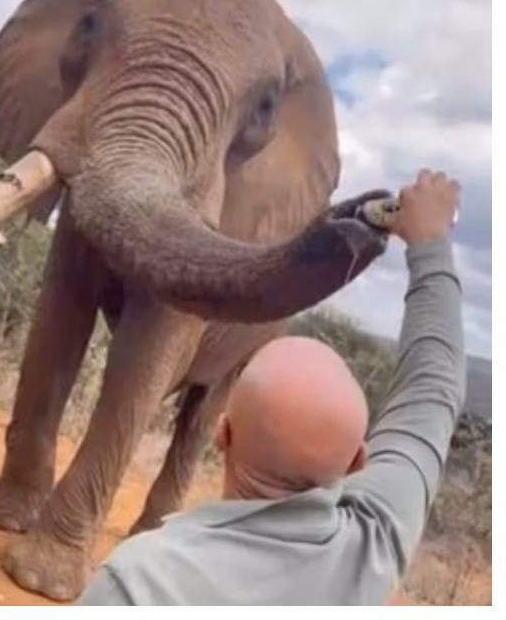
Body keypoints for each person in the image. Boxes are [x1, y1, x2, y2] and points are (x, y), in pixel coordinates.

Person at [78, 169, 465, 605]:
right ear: (358, 462)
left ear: (222, 435)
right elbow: (434, 388)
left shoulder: (136, 581)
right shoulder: (371, 548)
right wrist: (431, 245)